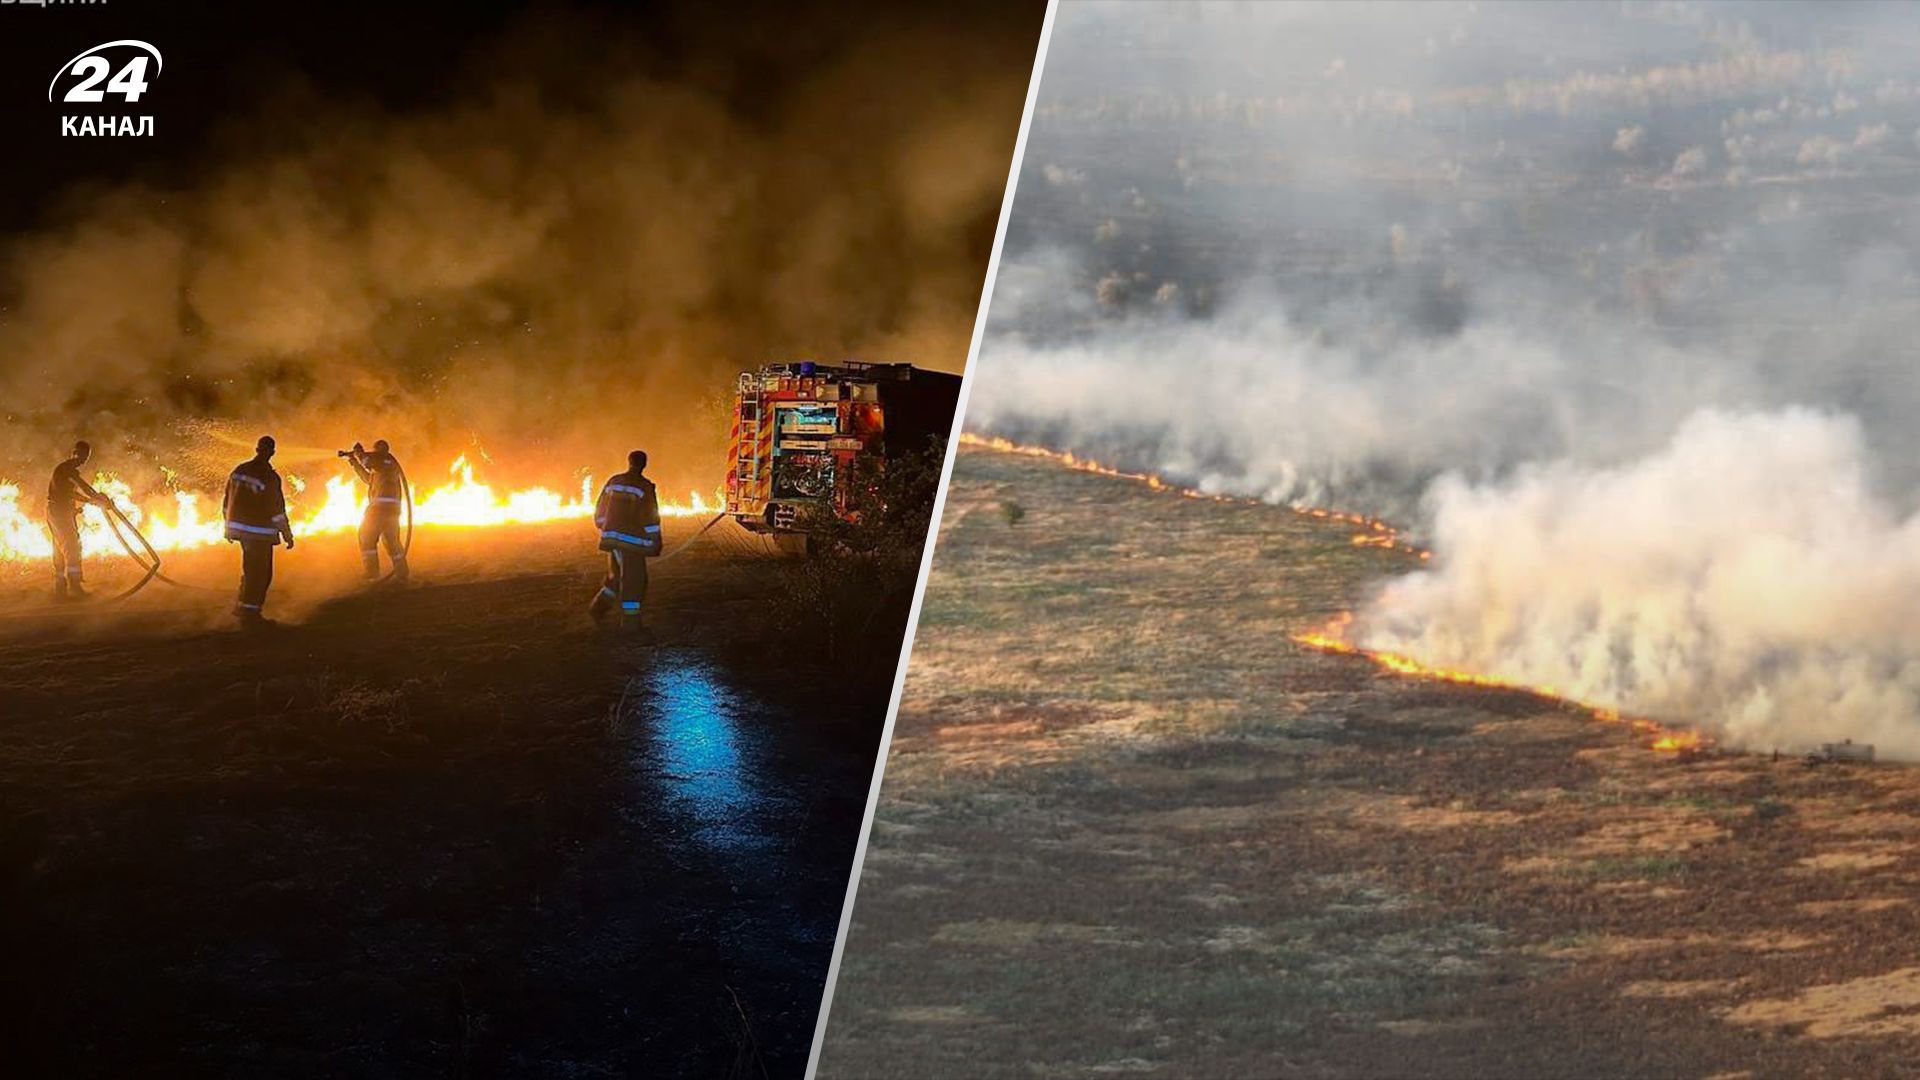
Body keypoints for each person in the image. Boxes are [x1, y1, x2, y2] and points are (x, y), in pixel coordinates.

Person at [222, 435, 294, 626]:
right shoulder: (268, 476)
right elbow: (277, 510)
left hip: (242, 533)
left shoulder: (239, 470)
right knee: (261, 575)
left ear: (256, 449)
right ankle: (251, 616)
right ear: (272, 452)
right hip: (259, 533)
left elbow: (227, 500)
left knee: (250, 570)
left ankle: (242, 607)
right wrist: (287, 534)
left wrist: (228, 527)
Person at [590, 449, 662, 631]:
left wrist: (605, 528)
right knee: (634, 581)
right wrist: (655, 541)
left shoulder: (614, 482)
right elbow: (650, 519)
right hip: (632, 543)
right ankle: (631, 626)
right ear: (644, 464)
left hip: (612, 540)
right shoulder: (644, 487)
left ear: (629, 462)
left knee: (615, 577)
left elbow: (600, 510)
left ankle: (598, 609)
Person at [45, 440, 111, 600]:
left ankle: (60, 589)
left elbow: (71, 493)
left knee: (61, 548)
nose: (83, 460)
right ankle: (74, 587)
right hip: (59, 512)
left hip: (59, 511)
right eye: (82, 456)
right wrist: (98, 497)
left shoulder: (67, 470)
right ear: (74, 453)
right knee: (72, 546)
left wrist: (92, 501)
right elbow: (84, 487)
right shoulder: (66, 470)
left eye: (86, 457)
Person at [344, 439, 408, 583]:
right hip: (391, 511)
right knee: (392, 541)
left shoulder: (384, 460)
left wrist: (358, 452)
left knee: (366, 536)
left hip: (379, 509)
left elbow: (367, 461)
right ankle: (402, 574)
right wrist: (354, 461)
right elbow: (368, 478)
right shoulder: (383, 467)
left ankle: (372, 572)